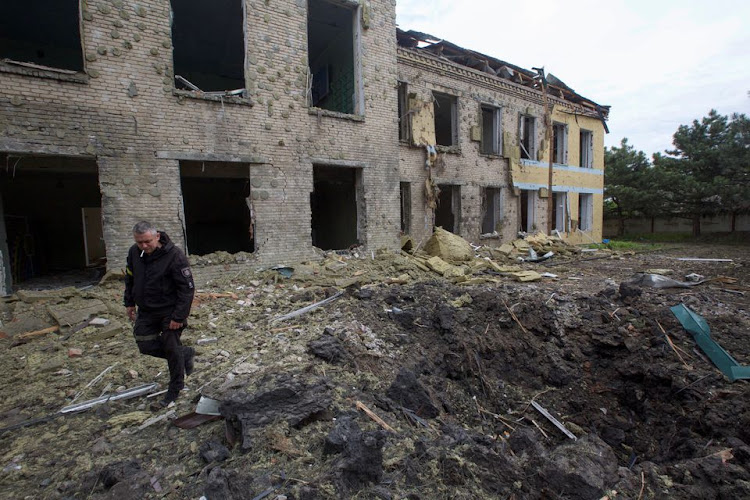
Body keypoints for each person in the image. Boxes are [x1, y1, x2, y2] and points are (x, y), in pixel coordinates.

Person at [124, 221, 196, 409]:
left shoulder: (174, 256)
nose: (144, 246)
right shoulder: (134, 253)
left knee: (171, 348)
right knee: (144, 344)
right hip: (147, 310)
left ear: (157, 237)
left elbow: (187, 289)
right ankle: (185, 354)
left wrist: (178, 317)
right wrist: (129, 302)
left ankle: (174, 390)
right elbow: (130, 278)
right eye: (140, 242)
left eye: (147, 241)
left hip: (170, 311)